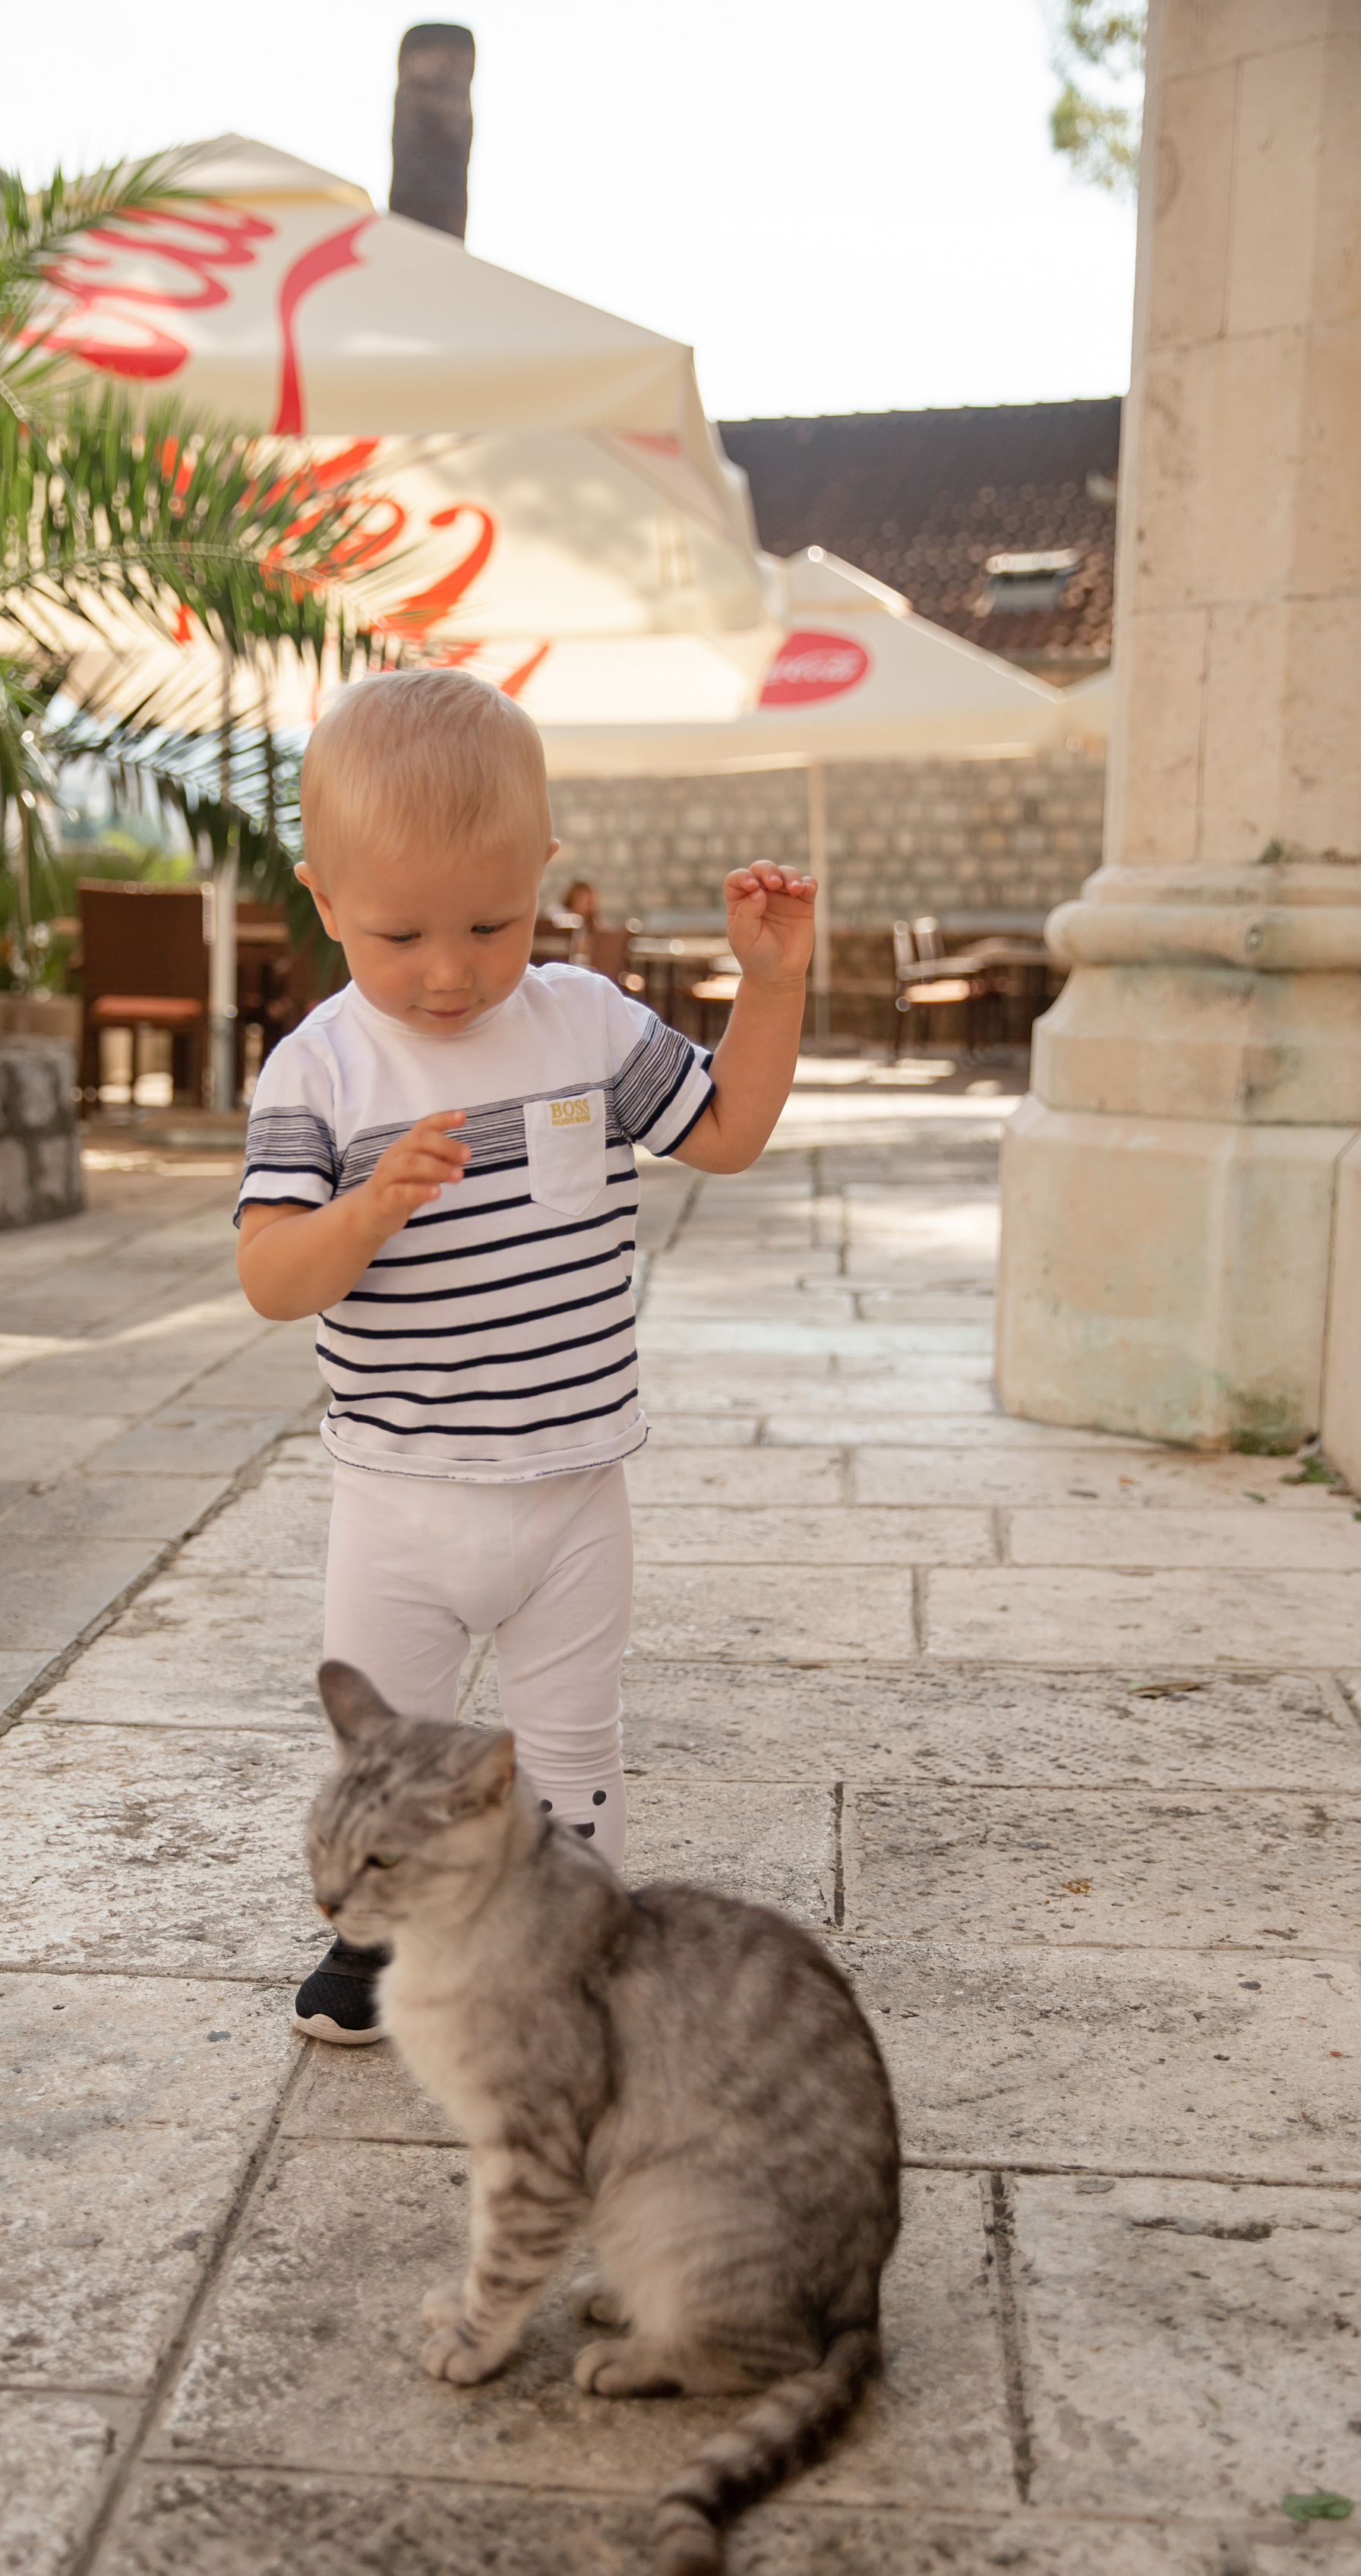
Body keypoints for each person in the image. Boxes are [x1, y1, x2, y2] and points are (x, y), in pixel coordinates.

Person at [234, 670, 813, 2042]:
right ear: (323, 900)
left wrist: (773, 987)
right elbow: (269, 1277)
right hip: (398, 1496)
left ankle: (578, 1949)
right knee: (393, 1752)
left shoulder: (588, 1025)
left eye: (492, 924)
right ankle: (383, 1951)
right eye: (400, 933)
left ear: (543, 878)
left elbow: (725, 1133)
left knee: (571, 1749)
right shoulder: (317, 1073)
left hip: (570, 1486)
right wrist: (366, 1211)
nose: (450, 969)